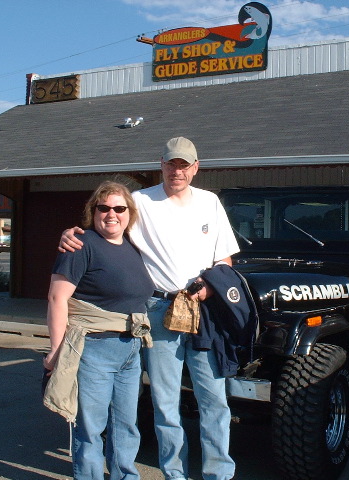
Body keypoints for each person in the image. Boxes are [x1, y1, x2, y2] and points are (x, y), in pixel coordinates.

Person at [59, 137, 240, 480]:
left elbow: (225, 258)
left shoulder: (210, 203)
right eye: (172, 164)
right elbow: (107, 226)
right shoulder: (140, 202)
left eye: (185, 165)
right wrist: (73, 233)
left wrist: (208, 287)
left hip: (205, 312)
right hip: (159, 309)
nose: (178, 171)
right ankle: (175, 473)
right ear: (161, 164)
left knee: (214, 400)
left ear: (195, 168)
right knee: (165, 404)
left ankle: (219, 474)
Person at [44, 180, 155, 480]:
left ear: (129, 213)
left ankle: (125, 476)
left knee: (126, 425)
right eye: (103, 208)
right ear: (92, 212)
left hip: (131, 349)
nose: (111, 214)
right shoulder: (80, 245)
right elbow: (57, 298)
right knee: (91, 428)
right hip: (95, 349)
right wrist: (56, 352)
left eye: (119, 208)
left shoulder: (133, 246)